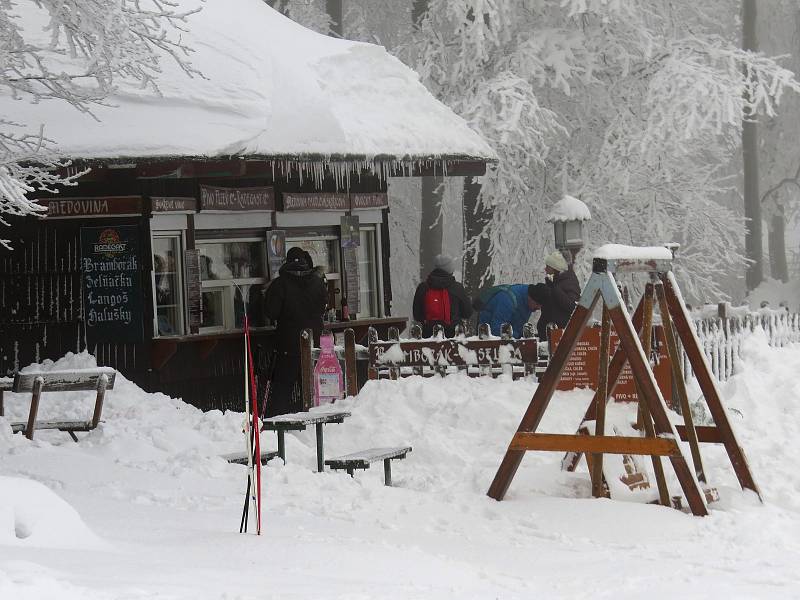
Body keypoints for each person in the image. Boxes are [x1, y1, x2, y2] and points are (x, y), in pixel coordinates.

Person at [263, 246, 327, 416]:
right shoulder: (318, 282)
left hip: (288, 346)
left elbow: (271, 312)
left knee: (283, 389)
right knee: (312, 387)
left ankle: (279, 423)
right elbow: (322, 308)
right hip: (314, 344)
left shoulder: (280, 284)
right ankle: (315, 420)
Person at [412, 254, 472, 337]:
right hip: (453, 336)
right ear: (450, 268)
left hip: (429, 335)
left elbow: (417, 315)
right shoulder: (457, 288)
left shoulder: (423, 287)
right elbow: (467, 313)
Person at [534, 251, 581, 339]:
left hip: (561, 334)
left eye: (548, 266)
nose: (545, 269)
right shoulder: (555, 281)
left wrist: (554, 288)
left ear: (555, 268)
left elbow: (572, 306)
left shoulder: (569, 281)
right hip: (551, 332)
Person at [477, 284, 541, 338]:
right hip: (487, 338)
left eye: (541, 306)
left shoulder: (528, 303)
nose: (538, 308)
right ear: (530, 298)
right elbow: (496, 329)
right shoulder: (507, 300)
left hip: (506, 339)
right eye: (537, 304)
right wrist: (518, 336)